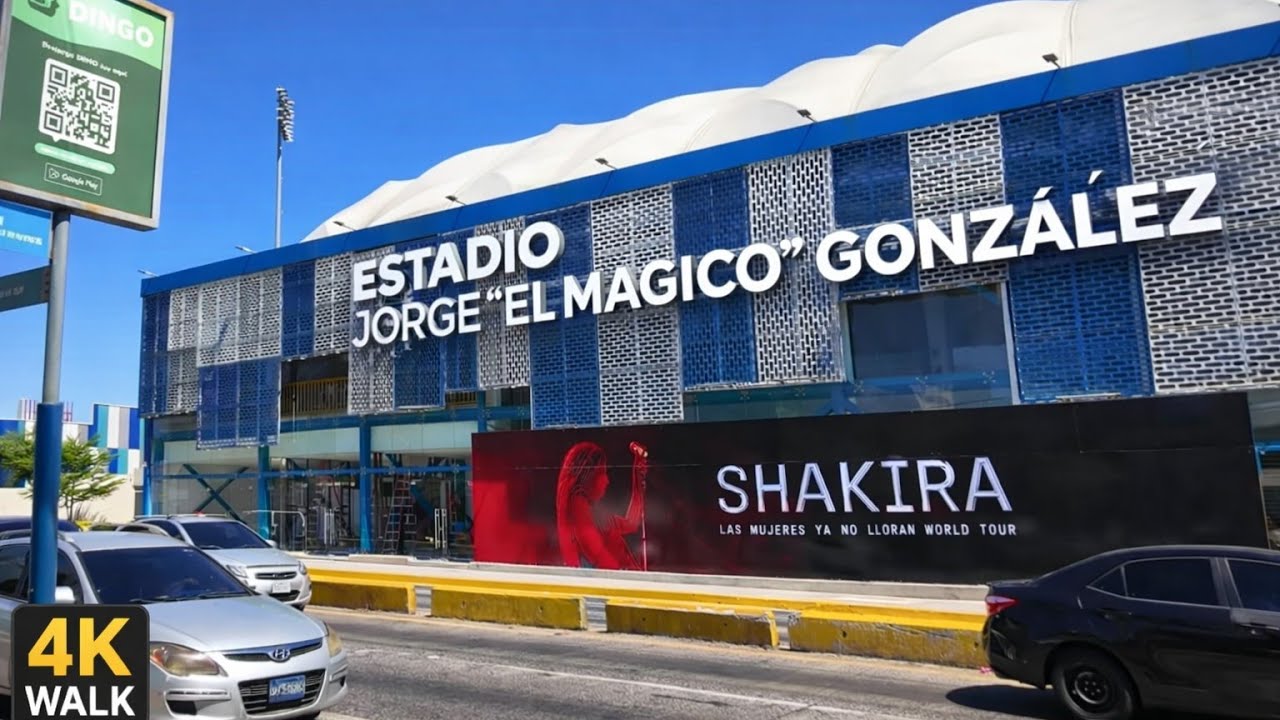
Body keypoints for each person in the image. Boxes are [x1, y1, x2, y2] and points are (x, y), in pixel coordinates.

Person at [555, 440, 648, 570]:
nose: (607, 481)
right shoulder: (578, 510)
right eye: (602, 472)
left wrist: (637, 479)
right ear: (588, 474)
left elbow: (631, 524)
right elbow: (602, 561)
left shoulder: (594, 515)